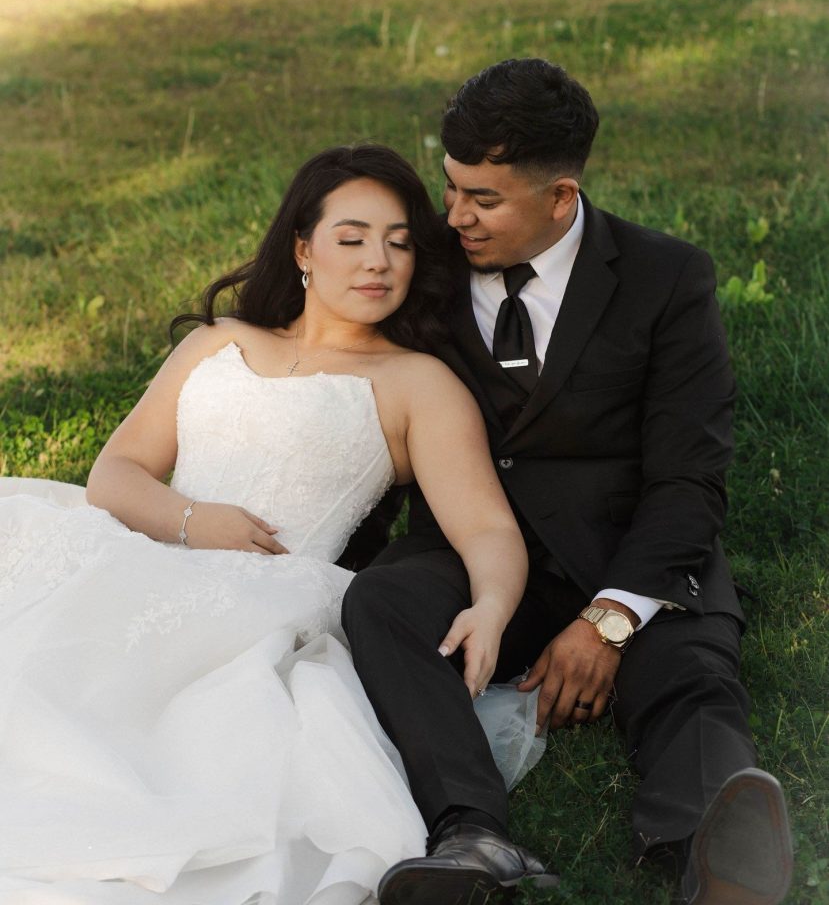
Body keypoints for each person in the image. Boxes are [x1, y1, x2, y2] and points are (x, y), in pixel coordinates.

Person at [0, 145, 554, 904]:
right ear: (303, 248)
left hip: (270, 594)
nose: (378, 262)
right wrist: (193, 520)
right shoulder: (219, 342)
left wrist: (490, 607)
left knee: (158, 725)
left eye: (398, 243)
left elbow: (486, 528)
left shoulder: (414, 383)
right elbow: (115, 473)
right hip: (147, 545)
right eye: (352, 238)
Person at [342, 60, 795, 905]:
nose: (455, 216)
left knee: (688, 672)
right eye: (450, 188)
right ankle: (470, 838)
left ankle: (715, 844)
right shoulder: (422, 268)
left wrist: (611, 616)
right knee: (381, 605)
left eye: (484, 199)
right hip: (470, 552)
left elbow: (688, 476)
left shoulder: (666, 279)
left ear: (560, 196)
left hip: (627, 551)